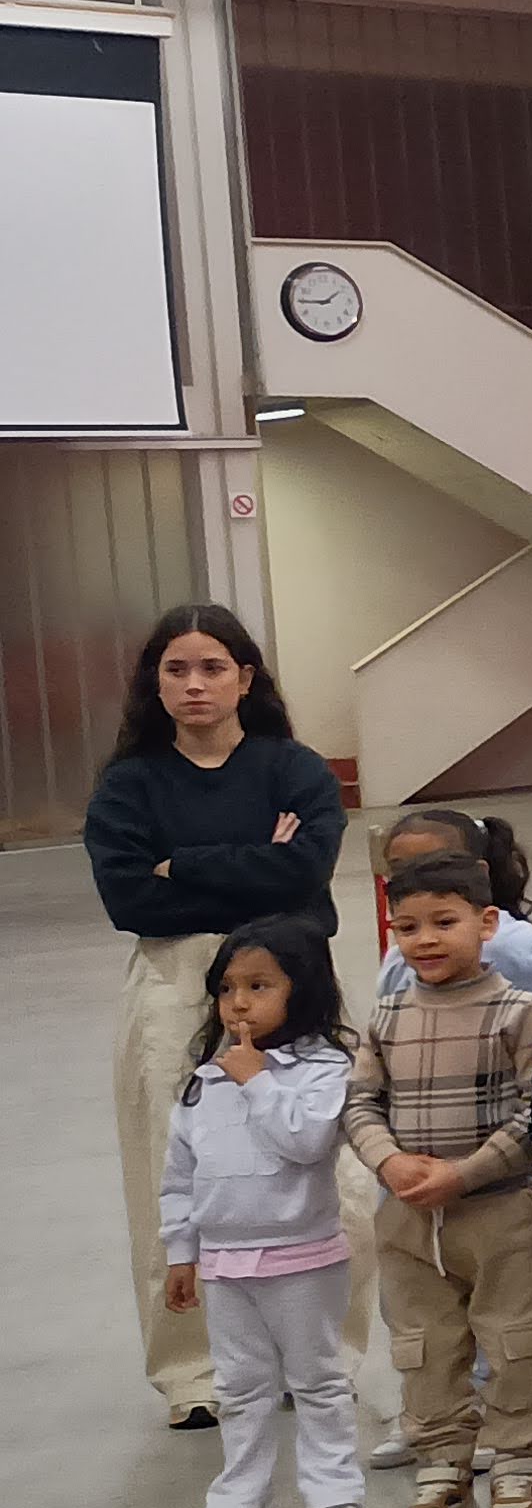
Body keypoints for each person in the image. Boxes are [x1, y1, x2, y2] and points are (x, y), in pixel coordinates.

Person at [84, 602, 346, 1426]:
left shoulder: (294, 769)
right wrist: (258, 862)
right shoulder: (127, 785)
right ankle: (194, 1373)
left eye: (212, 667)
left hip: (293, 971)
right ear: (155, 683)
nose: (195, 684)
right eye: (177, 669)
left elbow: (306, 873)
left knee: (321, 1161)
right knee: (177, 1168)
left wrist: (183, 865)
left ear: (245, 677)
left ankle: (321, 1360)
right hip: (175, 978)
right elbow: (130, 899)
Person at [349, 847, 532, 1508]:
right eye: (407, 928)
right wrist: (388, 1162)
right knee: (423, 1346)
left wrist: (465, 1174)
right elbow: (359, 1103)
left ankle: (517, 1468)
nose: (425, 940)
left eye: (444, 922)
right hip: (407, 1220)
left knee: (516, 1338)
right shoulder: (385, 1017)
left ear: (487, 922)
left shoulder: (521, 1013)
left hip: (500, 1214)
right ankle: (442, 1472)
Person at [161, 916, 364, 1508]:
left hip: (303, 1257)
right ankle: (241, 1506)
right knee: (239, 1388)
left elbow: (305, 1142)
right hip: (225, 1264)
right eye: (227, 988)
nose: (239, 1003)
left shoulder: (324, 1067)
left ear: (301, 989)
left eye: (259, 986)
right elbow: (179, 1175)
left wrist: (258, 1079)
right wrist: (181, 1252)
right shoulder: (206, 1081)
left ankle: (334, 1494)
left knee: (317, 1380)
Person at [370, 809, 532, 1005]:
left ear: (480, 871)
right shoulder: (397, 961)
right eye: (399, 869)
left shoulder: (512, 942)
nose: (415, 881)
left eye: (438, 866)